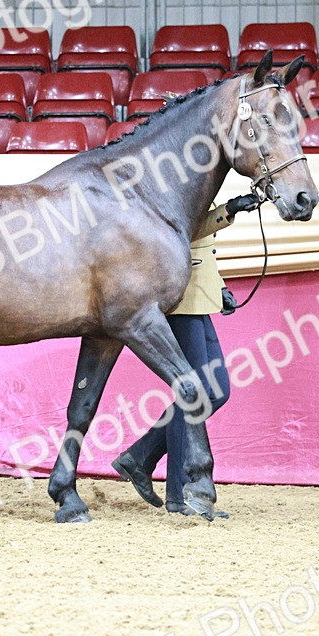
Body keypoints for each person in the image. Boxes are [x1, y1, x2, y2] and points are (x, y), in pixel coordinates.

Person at [111, 192, 260, 516]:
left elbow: (203, 249)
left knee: (217, 389)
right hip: (183, 298)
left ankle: (140, 456)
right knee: (194, 395)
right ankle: (179, 494)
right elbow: (185, 227)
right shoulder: (171, 181)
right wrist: (228, 210)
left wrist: (218, 286)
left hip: (201, 296)